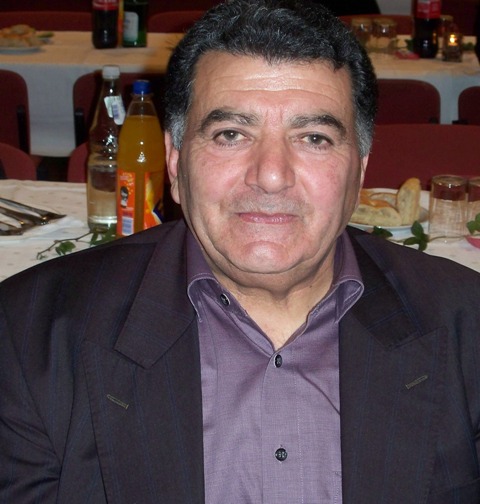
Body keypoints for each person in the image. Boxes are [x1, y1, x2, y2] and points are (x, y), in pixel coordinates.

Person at [1, 1, 479, 502]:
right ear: (175, 163)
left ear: (358, 173)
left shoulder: (466, 325)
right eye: (231, 134)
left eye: (313, 138)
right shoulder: (30, 335)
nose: (270, 175)